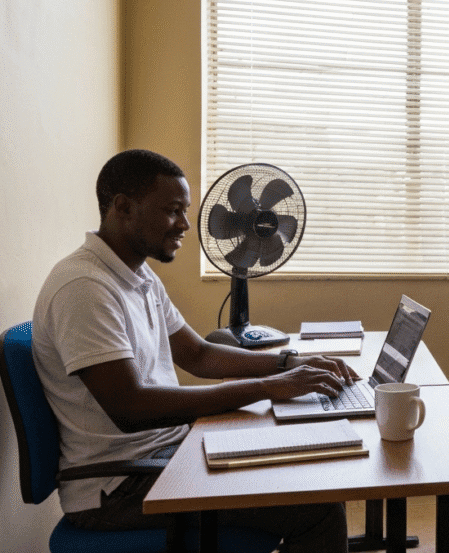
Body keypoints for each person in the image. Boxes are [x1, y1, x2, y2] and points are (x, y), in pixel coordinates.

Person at [32, 149, 355, 551]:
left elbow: (198, 355)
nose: (185, 224)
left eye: (185, 210)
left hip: (164, 454)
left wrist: (286, 363)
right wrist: (272, 387)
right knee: (318, 506)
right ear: (124, 208)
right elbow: (130, 409)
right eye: (172, 211)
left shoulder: (137, 274)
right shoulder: (84, 288)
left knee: (301, 461)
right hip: (119, 487)